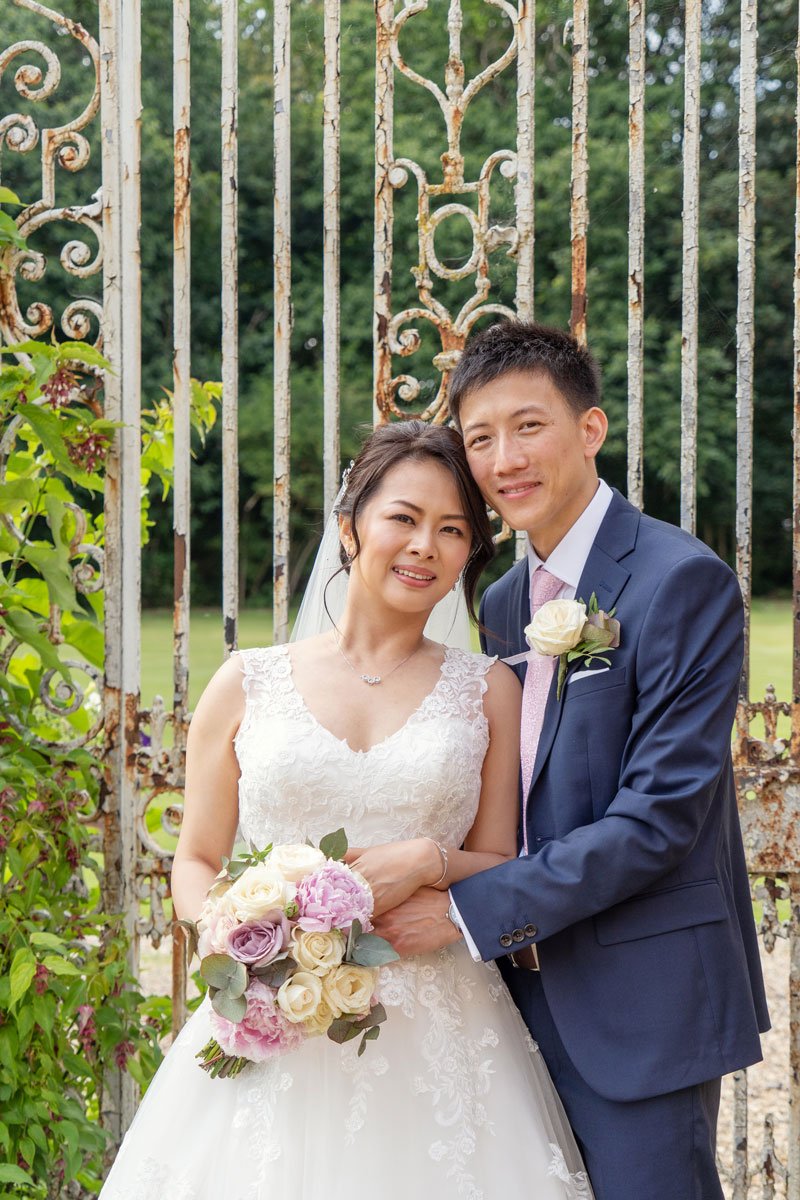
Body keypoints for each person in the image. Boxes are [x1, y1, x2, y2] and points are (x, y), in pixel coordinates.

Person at [100, 419, 592, 1200]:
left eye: (452, 529)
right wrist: (236, 944)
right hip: (273, 1013)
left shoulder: (489, 689)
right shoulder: (244, 683)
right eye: (403, 517)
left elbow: (503, 862)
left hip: (437, 1019)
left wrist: (430, 862)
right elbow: (195, 860)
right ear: (349, 527)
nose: (425, 545)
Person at [373, 322, 770, 1200]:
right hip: (512, 1005)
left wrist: (467, 910)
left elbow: (659, 820)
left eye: (528, 427)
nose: (504, 459)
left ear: (589, 430)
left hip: (638, 1001)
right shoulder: (508, 603)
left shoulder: (680, 582)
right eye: (480, 438)